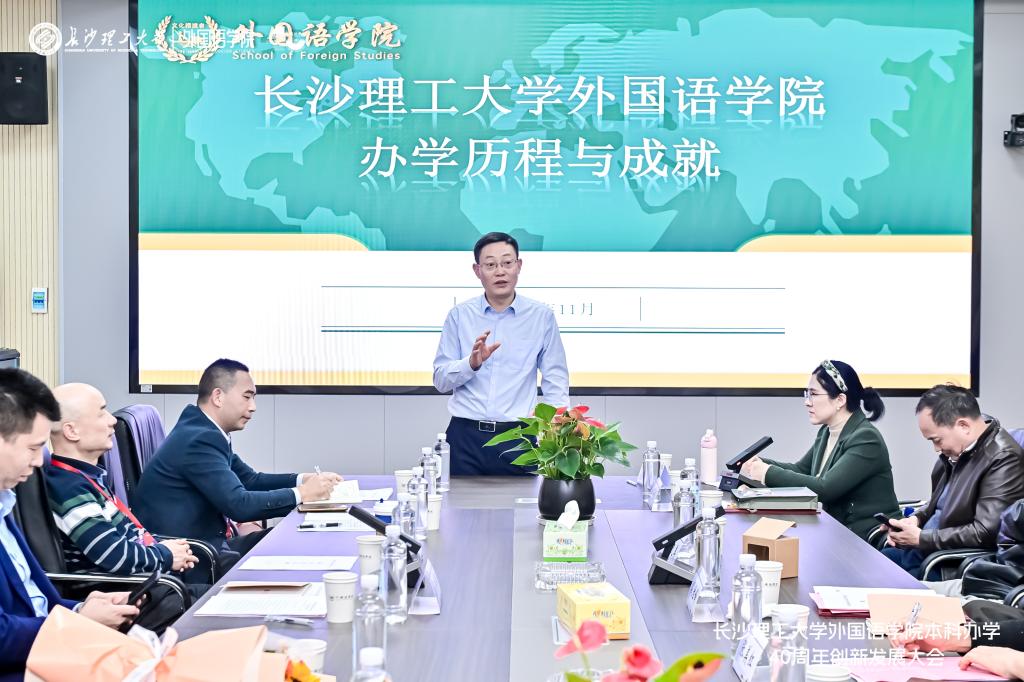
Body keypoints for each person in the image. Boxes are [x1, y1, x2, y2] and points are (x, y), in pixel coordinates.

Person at [0, 368, 137, 678]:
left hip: (52, 653)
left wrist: (80, 610)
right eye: (33, 448)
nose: (39, 462)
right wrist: (76, 624)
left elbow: (35, 602)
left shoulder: (4, 504)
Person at [134, 359, 342, 555]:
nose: (253, 407)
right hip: (195, 557)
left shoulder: (203, 429)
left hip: (209, 545)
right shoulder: (199, 439)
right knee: (297, 542)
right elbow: (239, 505)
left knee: (294, 537)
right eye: (246, 396)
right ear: (218, 397)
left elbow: (250, 480)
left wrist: (303, 480)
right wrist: (303, 494)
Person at [432, 232, 569, 475]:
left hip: (519, 439)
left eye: (507, 263)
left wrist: (558, 436)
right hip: (465, 437)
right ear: (477, 270)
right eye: (490, 265)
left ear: (519, 266)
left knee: (523, 501)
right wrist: (470, 364)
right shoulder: (459, 316)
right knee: (457, 501)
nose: (500, 271)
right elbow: (441, 381)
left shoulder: (541, 317)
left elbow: (555, 381)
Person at [45, 383, 200, 580]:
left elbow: (128, 538)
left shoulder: (86, 477)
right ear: (71, 431)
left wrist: (170, 549)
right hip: (123, 591)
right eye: (101, 413)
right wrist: (166, 555)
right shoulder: (68, 488)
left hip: (144, 581)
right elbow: (113, 555)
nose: (112, 420)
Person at [740, 359, 900, 541]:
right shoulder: (827, 431)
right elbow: (802, 470)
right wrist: (760, 463)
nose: (807, 402)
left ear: (840, 400)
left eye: (814, 394)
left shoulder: (866, 438)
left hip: (868, 539)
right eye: (807, 394)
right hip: (838, 534)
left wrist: (766, 473)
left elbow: (826, 488)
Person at [881, 384, 1024, 580]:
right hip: (926, 550)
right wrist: (916, 519)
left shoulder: (1003, 458)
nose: (936, 449)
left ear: (963, 426)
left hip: (945, 562)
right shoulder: (961, 450)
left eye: (937, 440)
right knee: (872, 564)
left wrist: (921, 538)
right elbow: (941, 502)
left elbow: (985, 532)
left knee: (882, 581)